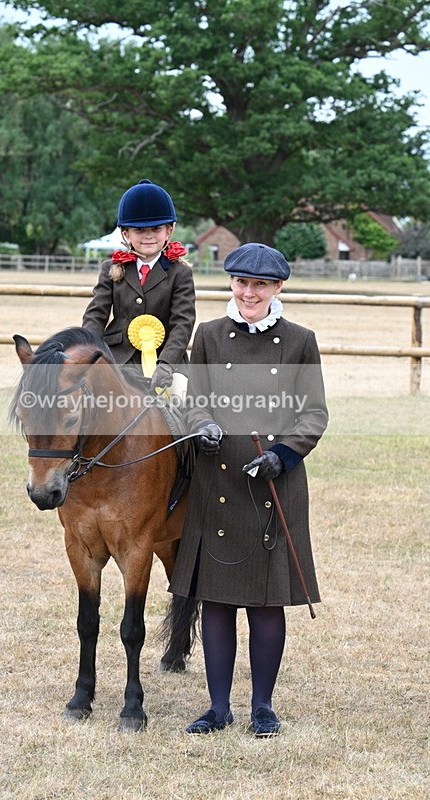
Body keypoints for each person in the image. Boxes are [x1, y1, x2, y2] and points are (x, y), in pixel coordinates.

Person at [169, 242, 329, 737]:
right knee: (216, 602)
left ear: (278, 288)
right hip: (217, 481)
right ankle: (218, 708)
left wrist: (282, 454)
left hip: (273, 484)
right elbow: (193, 401)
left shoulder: (301, 340)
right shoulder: (209, 335)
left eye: (260, 284)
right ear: (232, 285)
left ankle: (263, 706)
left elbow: (315, 414)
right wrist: (203, 425)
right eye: (241, 282)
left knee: (265, 604)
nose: (249, 292)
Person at [82, 179, 196, 390]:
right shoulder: (111, 268)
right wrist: (87, 351)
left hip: (164, 361)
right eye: (139, 230)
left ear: (169, 231)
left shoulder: (180, 273)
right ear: (126, 234)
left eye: (156, 228)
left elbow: (183, 323)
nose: (149, 235)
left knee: (183, 399)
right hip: (118, 358)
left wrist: (167, 364)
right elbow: (96, 315)